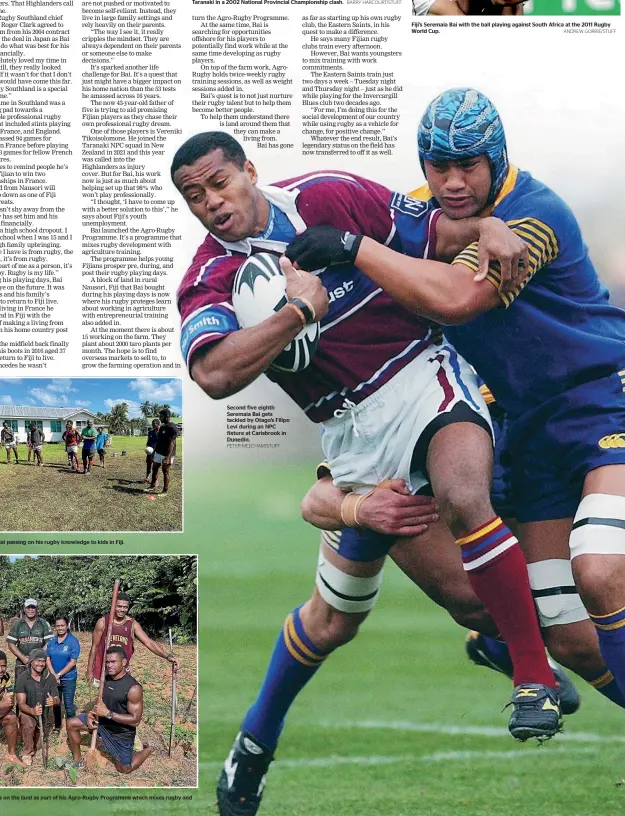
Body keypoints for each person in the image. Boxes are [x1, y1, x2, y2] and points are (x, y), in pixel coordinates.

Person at [171, 131, 560, 815]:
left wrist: (492, 224)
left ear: (248, 173)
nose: (211, 202)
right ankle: (254, 742)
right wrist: (297, 313)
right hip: (350, 437)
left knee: (466, 493)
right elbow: (213, 372)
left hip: (423, 376)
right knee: (342, 620)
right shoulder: (209, 279)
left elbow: (435, 231)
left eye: (219, 183)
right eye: (194, 196)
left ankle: (532, 679)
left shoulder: (327, 195)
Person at [286, 87, 625, 705]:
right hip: (521, 430)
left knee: (601, 572)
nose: (454, 181)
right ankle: (505, 645)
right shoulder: (414, 217)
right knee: (569, 636)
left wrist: (356, 248)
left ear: (495, 158)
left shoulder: (533, 216)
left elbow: (453, 296)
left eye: (468, 164)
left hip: (601, 401)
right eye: (438, 166)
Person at [66, 646, 153, 773]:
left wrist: (108, 714)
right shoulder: (105, 679)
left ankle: (148, 750)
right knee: (71, 723)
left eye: (113, 662)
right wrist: (92, 714)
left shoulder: (133, 688)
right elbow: (100, 702)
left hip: (120, 733)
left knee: (124, 769)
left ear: (123, 662)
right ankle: (77, 760)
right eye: (107, 662)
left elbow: (135, 720)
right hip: (102, 723)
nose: (109, 665)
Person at [86, 592, 179, 686]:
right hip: (104, 669)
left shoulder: (132, 624)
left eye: (125, 607)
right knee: (103, 698)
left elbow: (149, 643)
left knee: (124, 696)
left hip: (121, 670)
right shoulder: (103, 622)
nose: (122, 610)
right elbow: (94, 647)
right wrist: (89, 671)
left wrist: (167, 656)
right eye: (119, 606)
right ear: (113, 605)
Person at [14, 649, 59, 766]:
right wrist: (32, 711)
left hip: (42, 716)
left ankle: (28, 737)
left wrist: (53, 701)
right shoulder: (22, 679)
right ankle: (27, 753)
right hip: (27, 712)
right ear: (31, 662)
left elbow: (57, 698)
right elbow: (21, 704)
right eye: (38, 661)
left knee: (38, 745)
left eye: (43, 661)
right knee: (29, 724)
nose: (41, 664)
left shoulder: (50, 678)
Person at [46, 614, 81, 725]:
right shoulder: (52, 641)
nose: (60, 628)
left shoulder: (73, 641)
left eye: (62, 625)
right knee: (56, 702)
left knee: (68, 705)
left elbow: (73, 662)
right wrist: (53, 675)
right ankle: (57, 725)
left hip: (68, 678)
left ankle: (72, 726)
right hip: (54, 677)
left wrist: (59, 674)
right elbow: (47, 659)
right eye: (58, 626)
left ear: (67, 626)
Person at [6, 599, 53, 679]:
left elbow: (49, 642)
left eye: (33, 607)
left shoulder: (44, 623)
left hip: (40, 663)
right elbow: (11, 643)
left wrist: (38, 656)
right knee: (21, 689)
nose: (30, 610)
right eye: (28, 607)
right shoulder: (17, 624)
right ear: (24, 609)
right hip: (22, 664)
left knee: (39, 688)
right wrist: (23, 658)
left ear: (36, 609)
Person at [148, 409, 178, 494]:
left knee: (165, 471)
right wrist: (154, 452)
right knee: (155, 469)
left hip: (167, 454)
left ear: (166, 416)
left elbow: (171, 443)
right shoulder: (163, 427)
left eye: (161, 416)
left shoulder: (172, 427)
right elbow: (159, 441)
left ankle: (165, 490)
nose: (159, 418)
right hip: (158, 452)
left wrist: (167, 457)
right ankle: (152, 486)